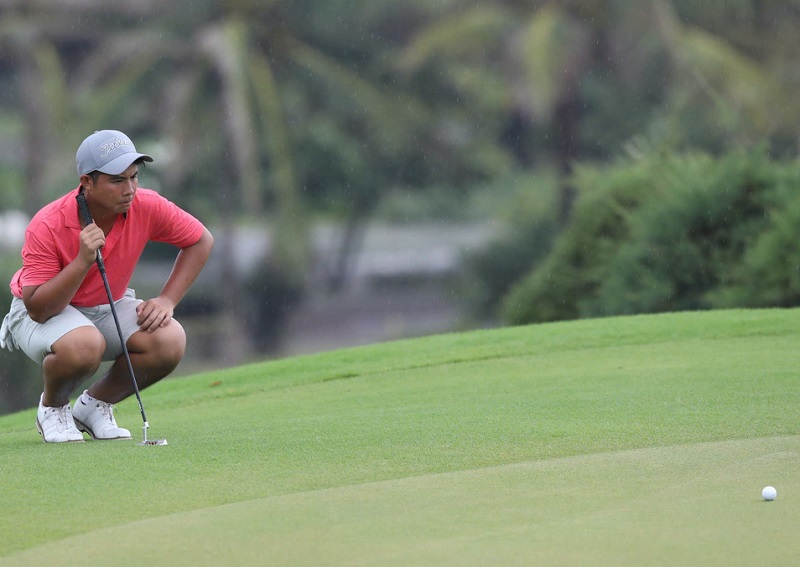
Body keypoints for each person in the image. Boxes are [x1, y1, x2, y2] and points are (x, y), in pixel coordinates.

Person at [0, 130, 214, 443]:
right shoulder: (48, 223)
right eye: (117, 180)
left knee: (169, 339)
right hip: (39, 314)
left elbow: (200, 240)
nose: (130, 189)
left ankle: (93, 407)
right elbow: (38, 308)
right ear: (87, 182)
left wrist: (167, 300)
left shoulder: (145, 205)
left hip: (105, 305)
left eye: (134, 177)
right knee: (85, 344)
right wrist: (81, 262)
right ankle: (53, 408)